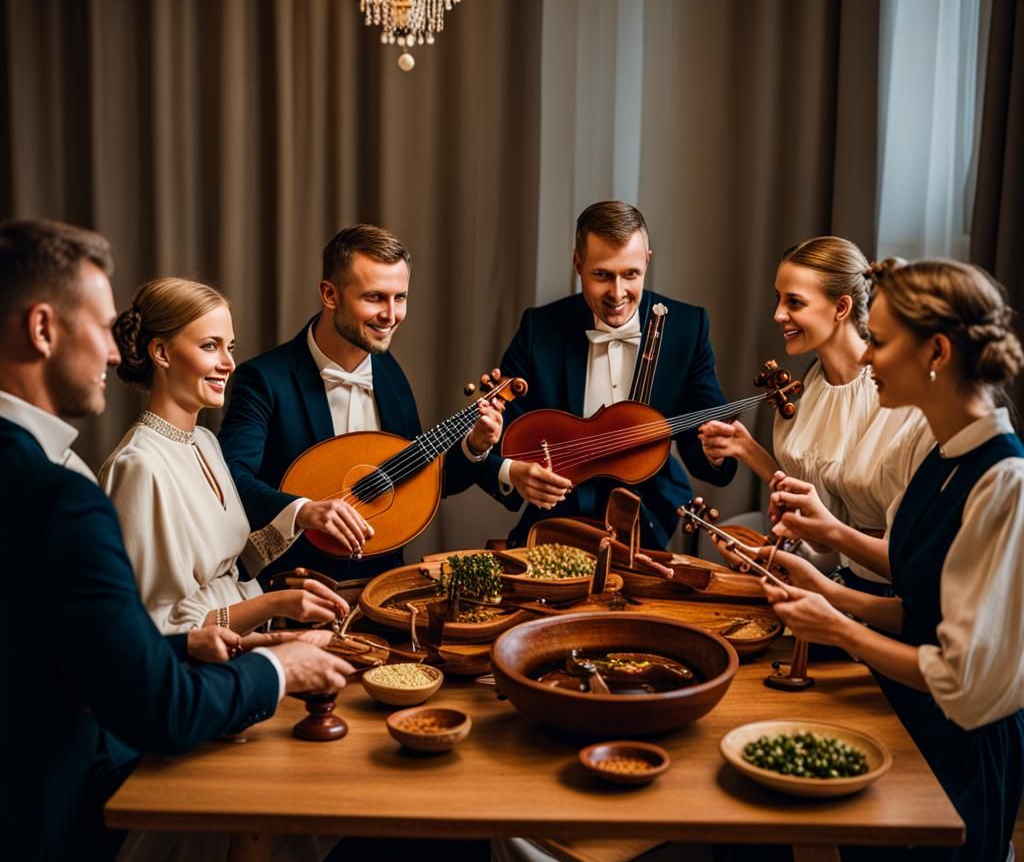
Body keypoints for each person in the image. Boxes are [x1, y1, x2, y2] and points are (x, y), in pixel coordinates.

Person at [0, 219, 351, 862]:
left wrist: (292, 538)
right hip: (61, 825)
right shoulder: (91, 481)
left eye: (229, 346)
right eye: (101, 328)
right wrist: (275, 657)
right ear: (43, 329)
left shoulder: (207, 446)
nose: (114, 350)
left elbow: (201, 578)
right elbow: (149, 672)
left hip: (195, 673)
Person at [709, 258, 1024, 862]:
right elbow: (918, 609)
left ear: (936, 353)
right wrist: (826, 589)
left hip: (955, 781)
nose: (868, 358)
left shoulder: (1004, 484)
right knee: (741, 832)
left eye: (879, 342)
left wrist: (840, 627)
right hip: (913, 723)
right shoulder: (943, 459)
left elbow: (963, 682)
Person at [219, 223, 503, 584]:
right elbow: (230, 478)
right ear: (330, 294)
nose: (391, 315)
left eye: (400, 298)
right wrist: (304, 511)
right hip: (294, 587)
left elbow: (415, 479)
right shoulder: (263, 379)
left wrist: (475, 446)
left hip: (382, 585)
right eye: (374, 297)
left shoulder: (390, 373)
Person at [476, 200, 736, 549]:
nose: (617, 293)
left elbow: (701, 443)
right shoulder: (540, 328)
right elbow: (496, 436)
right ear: (578, 264)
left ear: (647, 261)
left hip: (648, 517)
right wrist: (513, 472)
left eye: (631, 274)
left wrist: (716, 451)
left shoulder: (687, 328)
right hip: (556, 516)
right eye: (602, 275)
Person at [99, 278, 348, 635]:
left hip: (246, 646)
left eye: (229, 347)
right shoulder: (138, 466)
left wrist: (300, 517)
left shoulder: (205, 442)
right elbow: (156, 630)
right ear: (161, 353)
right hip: (201, 666)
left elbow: (226, 566)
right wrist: (276, 605)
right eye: (209, 346)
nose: (229, 363)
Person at [699, 237, 932, 589]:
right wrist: (748, 451)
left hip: (894, 598)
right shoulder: (808, 390)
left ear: (841, 308)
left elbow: (906, 557)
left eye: (794, 302)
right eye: (778, 299)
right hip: (838, 586)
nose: (778, 314)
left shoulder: (896, 395)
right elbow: (825, 548)